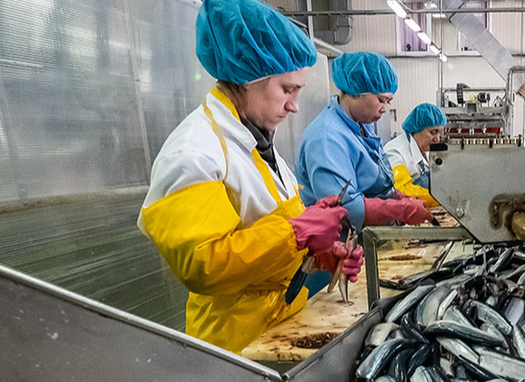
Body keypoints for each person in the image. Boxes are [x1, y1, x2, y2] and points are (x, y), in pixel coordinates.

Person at [137, 0, 362, 354]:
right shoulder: (194, 152)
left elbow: (263, 248)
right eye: (287, 90)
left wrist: (323, 256)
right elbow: (204, 263)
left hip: (278, 330)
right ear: (247, 77)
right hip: (233, 349)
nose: (295, 106)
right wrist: (297, 232)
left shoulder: (255, 142)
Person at [295, 52, 432, 230]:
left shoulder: (362, 126)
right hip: (341, 247)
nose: (384, 109)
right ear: (356, 91)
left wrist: (399, 197)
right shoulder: (327, 138)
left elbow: (376, 186)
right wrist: (398, 210)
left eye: (388, 101)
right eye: (381, 100)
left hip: (369, 237)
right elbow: (344, 208)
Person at [384, 102, 446, 208]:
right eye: (433, 132)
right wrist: (441, 199)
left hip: (420, 208)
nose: (438, 138)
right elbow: (402, 189)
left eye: (441, 132)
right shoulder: (395, 152)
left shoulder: (425, 148)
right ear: (417, 129)